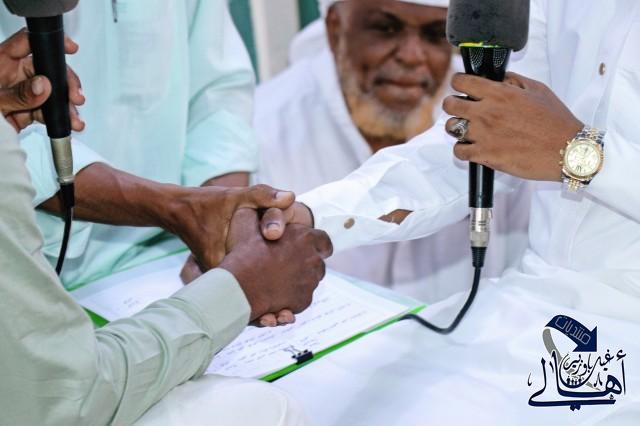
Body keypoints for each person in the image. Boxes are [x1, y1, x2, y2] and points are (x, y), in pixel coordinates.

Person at [0, 29, 331, 425]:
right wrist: (238, 288)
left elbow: (217, 94)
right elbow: (63, 396)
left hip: (168, 262)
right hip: (68, 289)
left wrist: (229, 222)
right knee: (265, 409)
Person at [0, 0, 299, 304]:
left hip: (177, 257)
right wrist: (183, 210)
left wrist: (228, 222)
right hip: (34, 279)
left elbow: (217, 91)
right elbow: (13, 147)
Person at [255, 0, 530, 302]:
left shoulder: (494, 119)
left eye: (434, 34)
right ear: (335, 29)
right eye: (386, 29)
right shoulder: (261, 131)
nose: (411, 57)